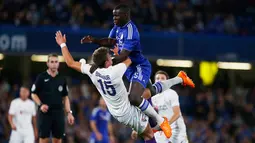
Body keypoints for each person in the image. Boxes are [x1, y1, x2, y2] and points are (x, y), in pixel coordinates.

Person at [80, 4, 195, 138]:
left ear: (125, 16)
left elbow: (124, 56)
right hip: (129, 69)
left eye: (117, 16)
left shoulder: (131, 32)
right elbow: (110, 41)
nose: (114, 18)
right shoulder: (118, 27)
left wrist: (104, 62)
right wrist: (95, 40)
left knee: (134, 98)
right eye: (113, 15)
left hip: (139, 66)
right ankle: (180, 78)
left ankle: (160, 121)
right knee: (150, 92)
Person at [56, 30, 163, 142]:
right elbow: (130, 58)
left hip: (115, 110)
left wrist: (62, 44)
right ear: (107, 63)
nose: (111, 59)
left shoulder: (92, 70)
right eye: (109, 57)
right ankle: (151, 121)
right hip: (127, 111)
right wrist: (121, 49)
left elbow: (70, 63)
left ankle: (149, 121)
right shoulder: (115, 71)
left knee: (144, 94)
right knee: (149, 135)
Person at [131, 70, 189, 143]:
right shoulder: (151, 97)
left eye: (162, 78)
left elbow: (177, 114)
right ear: (154, 81)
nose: (160, 80)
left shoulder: (171, 93)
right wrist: (135, 129)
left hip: (175, 130)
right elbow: (145, 113)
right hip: (160, 131)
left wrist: (165, 126)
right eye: (157, 78)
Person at [31, 53, 75, 143]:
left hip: (58, 113)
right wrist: (40, 105)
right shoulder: (41, 77)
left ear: (58, 63)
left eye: (56, 62)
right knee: (44, 139)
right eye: (52, 62)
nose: (54, 64)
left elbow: (65, 97)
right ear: (47, 63)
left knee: (58, 139)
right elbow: (33, 94)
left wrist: (69, 113)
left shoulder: (62, 79)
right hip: (45, 113)